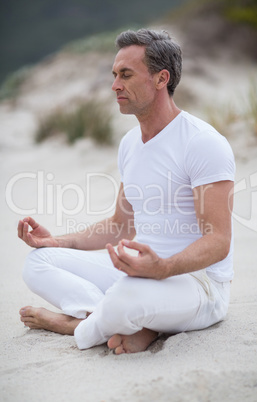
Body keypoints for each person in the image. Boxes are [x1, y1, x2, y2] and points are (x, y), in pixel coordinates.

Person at [18, 28, 235, 355]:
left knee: (125, 298)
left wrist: (162, 268)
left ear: (161, 79)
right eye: (114, 74)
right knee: (38, 262)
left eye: (126, 74)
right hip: (140, 273)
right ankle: (118, 321)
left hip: (197, 284)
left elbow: (218, 240)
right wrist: (56, 241)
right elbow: (120, 225)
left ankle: (77, 325)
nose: (114, 85)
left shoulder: (202, 143)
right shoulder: (130, 144)